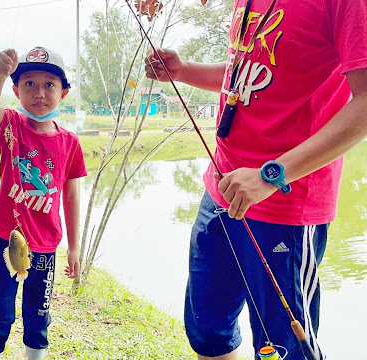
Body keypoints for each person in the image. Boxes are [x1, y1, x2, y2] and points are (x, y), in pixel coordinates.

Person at [144, 0, 367, 359]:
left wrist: (271, 175)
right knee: (208, 331)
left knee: (285, 349)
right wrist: (184, 70)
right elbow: (245, 73)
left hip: (284, 206)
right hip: (220, 192)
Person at [0, 46, 87, 360]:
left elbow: (70, 195)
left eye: (49, 85)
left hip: (46, 245)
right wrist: (0, 73)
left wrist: (74, 246)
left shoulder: (70, 142)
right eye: (29, 84)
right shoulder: (10, 125)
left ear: (63, 93)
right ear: (16, 90)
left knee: (38, 314)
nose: (39, 93)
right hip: (7, 237)